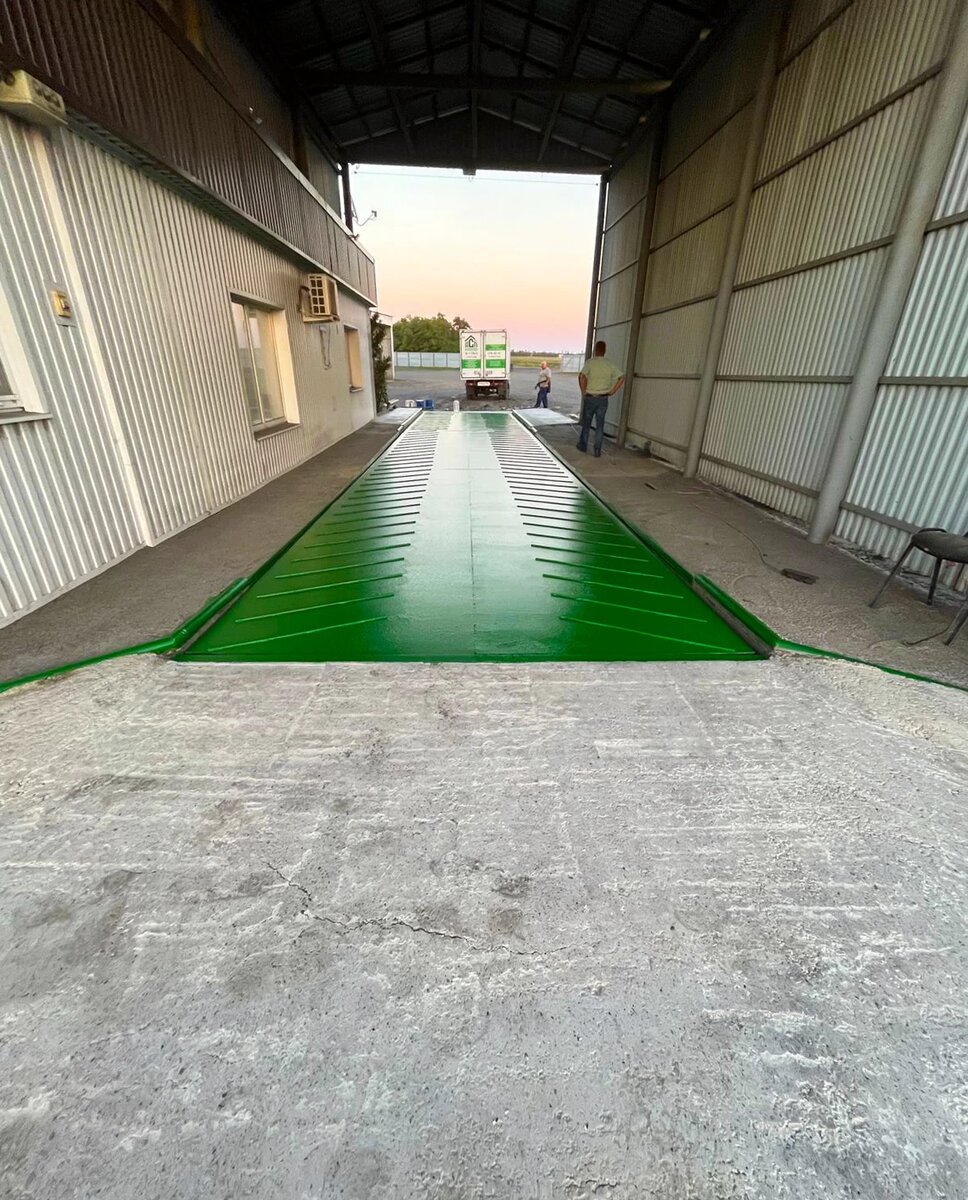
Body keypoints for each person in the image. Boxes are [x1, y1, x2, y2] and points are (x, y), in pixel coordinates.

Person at [577, 341, 624, 457]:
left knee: (587, 423)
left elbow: (582, 376)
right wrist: (613, 391)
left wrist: (583, 391)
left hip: (590, 397)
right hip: (603, 399)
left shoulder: (590, 363)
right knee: (600, 425)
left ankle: (583, 445)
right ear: (604, 351)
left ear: (595, 350)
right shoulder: (609, 364)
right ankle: (597, 449)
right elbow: (621, 377)